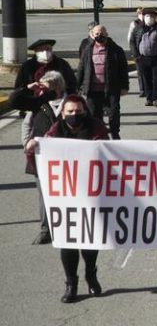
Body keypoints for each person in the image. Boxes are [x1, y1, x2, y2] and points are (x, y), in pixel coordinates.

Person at [38, 94, 109, 303]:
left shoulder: (96, 128)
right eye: (70, 112)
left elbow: (108, 152)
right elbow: (40, 161)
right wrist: (34, 147)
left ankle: (91, 273)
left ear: (85, 112)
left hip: (90, 194)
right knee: (67, 241)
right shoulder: (54, 132)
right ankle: (71, 283)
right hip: (65, 197)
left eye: (78, 112)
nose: (74, 115)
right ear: (62, 113)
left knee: (88, 238)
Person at [10, 70, 66, 245]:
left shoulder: (72, 103)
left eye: (45, 88)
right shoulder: (38, 105)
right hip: (42, 158)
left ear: (56, 88)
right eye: (39, 88)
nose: (40, 92)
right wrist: (27, 144)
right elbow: (15, 102)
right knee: (44, 194)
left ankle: (68, 226)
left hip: (67, 158)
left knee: (68, 192)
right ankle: (46, 230)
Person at [15, 39, 77, 145]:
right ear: (35, 52)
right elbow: (19, 87)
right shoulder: (27, 66)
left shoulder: (62, 64)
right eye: (41, 49)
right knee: (34, 126)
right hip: (36, 104)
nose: (45, 52)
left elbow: (72, 83)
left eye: (48, 49)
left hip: (60, 102)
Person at [77, 25, 129, 139]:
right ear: (92, 35)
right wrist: (77, 87)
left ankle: (115, 134)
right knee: (94, 115)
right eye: (96, 34)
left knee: (114, 113)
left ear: (107, 34)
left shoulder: (116, 50)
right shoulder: (88, 50)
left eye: (102, 33)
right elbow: (81, 68)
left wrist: (124, 86)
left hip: (111, 88)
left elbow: (123, 69)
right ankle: (99, 135)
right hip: (92, 90)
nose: (99, 36)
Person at [127, 8, 146, 96]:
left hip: (148, 52)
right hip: (138, 52)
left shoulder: (150, 24)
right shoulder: (134, 24)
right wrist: (134, 52)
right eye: (141, 13)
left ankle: (149, 88)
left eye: (144, 14)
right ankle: (142, 89)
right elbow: (130, 39)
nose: (142, 15)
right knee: (140, 72)